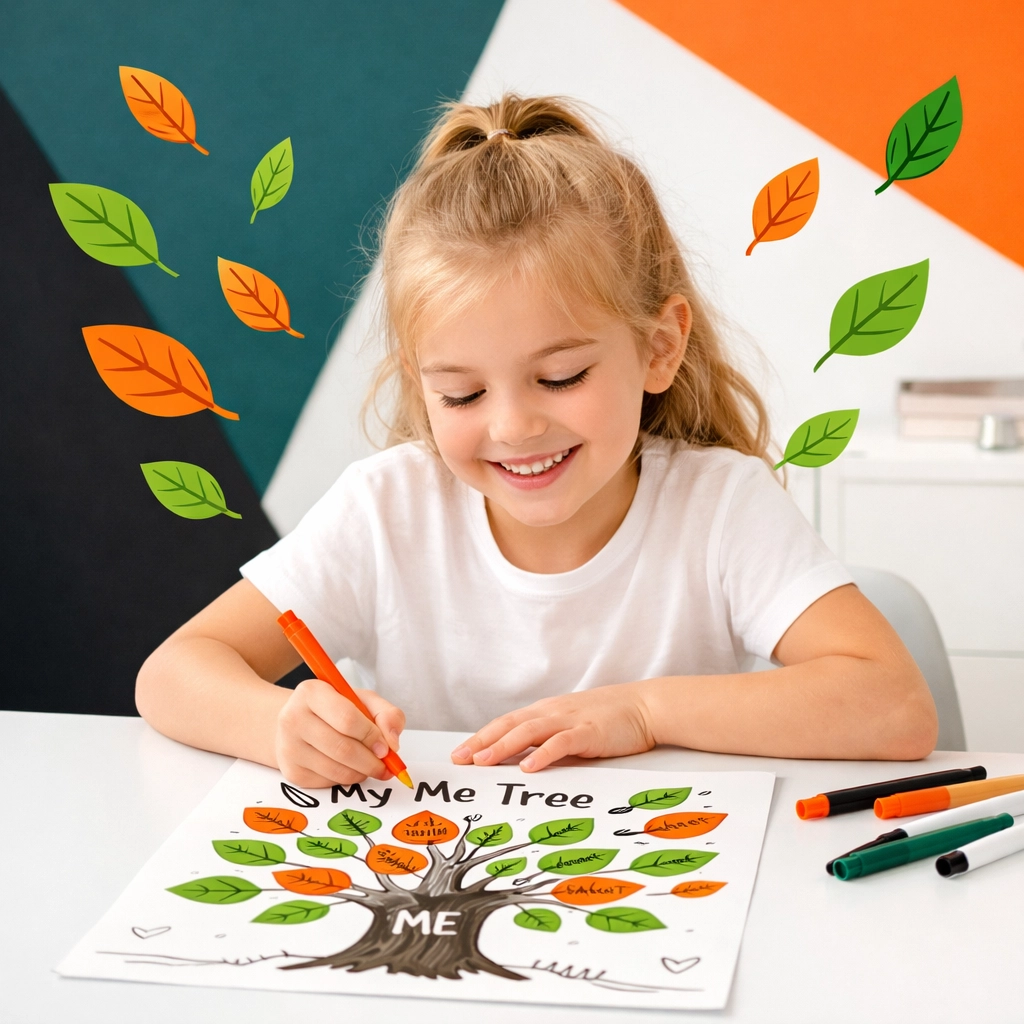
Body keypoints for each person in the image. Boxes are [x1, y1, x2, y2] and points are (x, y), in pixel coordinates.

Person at [136, 94, 938, 788]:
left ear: (659, 348)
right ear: (421, 384)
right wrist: (278, 726)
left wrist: (643, 709)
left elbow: (894, 707)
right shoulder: (386, 510)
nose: (514, 427)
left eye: (560, 379)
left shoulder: (720, 504)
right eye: (462, 393)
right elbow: (172, 673)